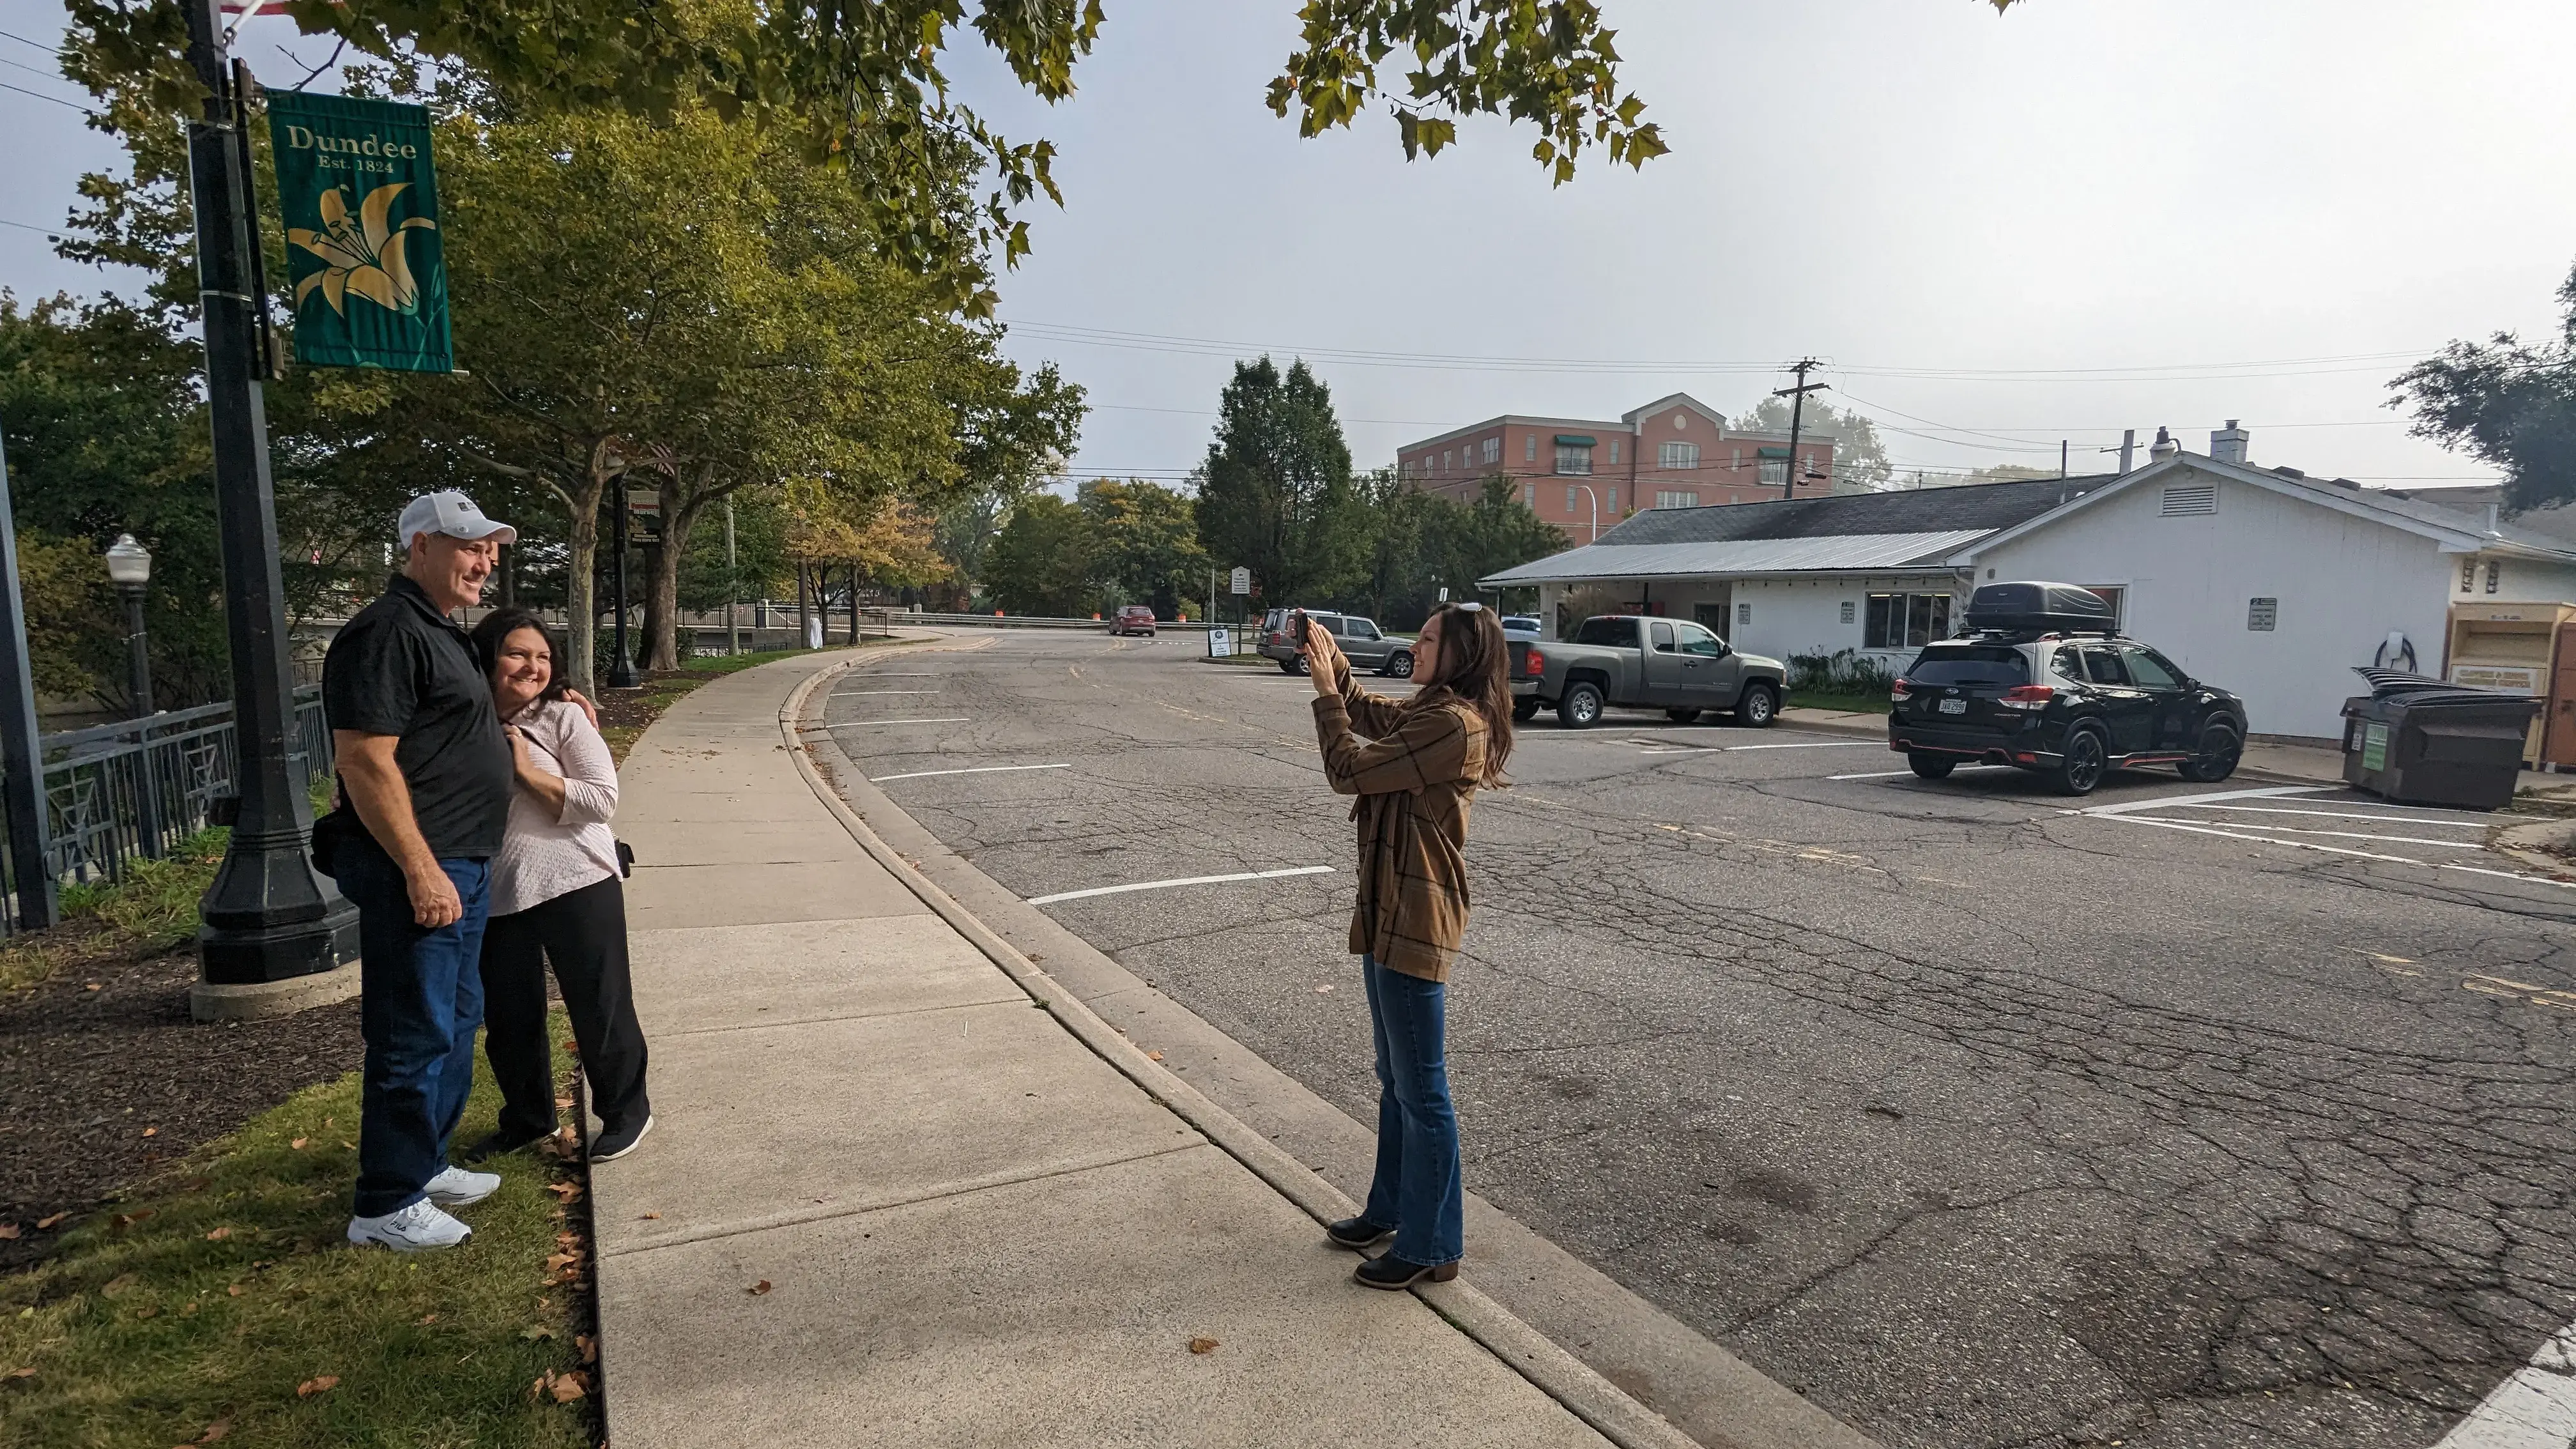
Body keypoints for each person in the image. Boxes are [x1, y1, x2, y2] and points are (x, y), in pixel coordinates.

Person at [323, 491, 519, 1252]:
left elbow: (451, 726)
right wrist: (420, 868)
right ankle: (386, 1201)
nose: (485, 562)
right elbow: (365, 760)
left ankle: (425, 1162)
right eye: (469, 547)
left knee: (455, 1020)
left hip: (463, 864)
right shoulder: (386, 631)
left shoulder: (439, 630)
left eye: (490, 551)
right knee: (412, 1033)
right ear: (419, 550)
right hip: (423, 871)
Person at [1301, 602, 1515, 1289]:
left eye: (1428, 639)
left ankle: (1433, 1245)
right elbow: (1375, 717)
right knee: (1396, 1079)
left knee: (1423, 1089)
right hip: (1391, 908)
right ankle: (1391, 1211)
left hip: (1418, 916)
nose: (1414, 646)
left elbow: (1349, 771)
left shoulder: (1455, 726)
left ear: (1462, 654)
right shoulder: (1433, 714)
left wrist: (1328, 697)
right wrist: (1333, 663)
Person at [466, 607, 654, 1164]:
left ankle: (626, 1113)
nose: (532, 667)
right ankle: (527, 1119)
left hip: (578, 877)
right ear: (487, 657)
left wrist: (525, 770)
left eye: (544, 657)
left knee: (600, 1005)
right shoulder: (459, 719)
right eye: (518, 653)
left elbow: (601, 800)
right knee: (509, 1018)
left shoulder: (563, 718)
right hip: (495, 889)